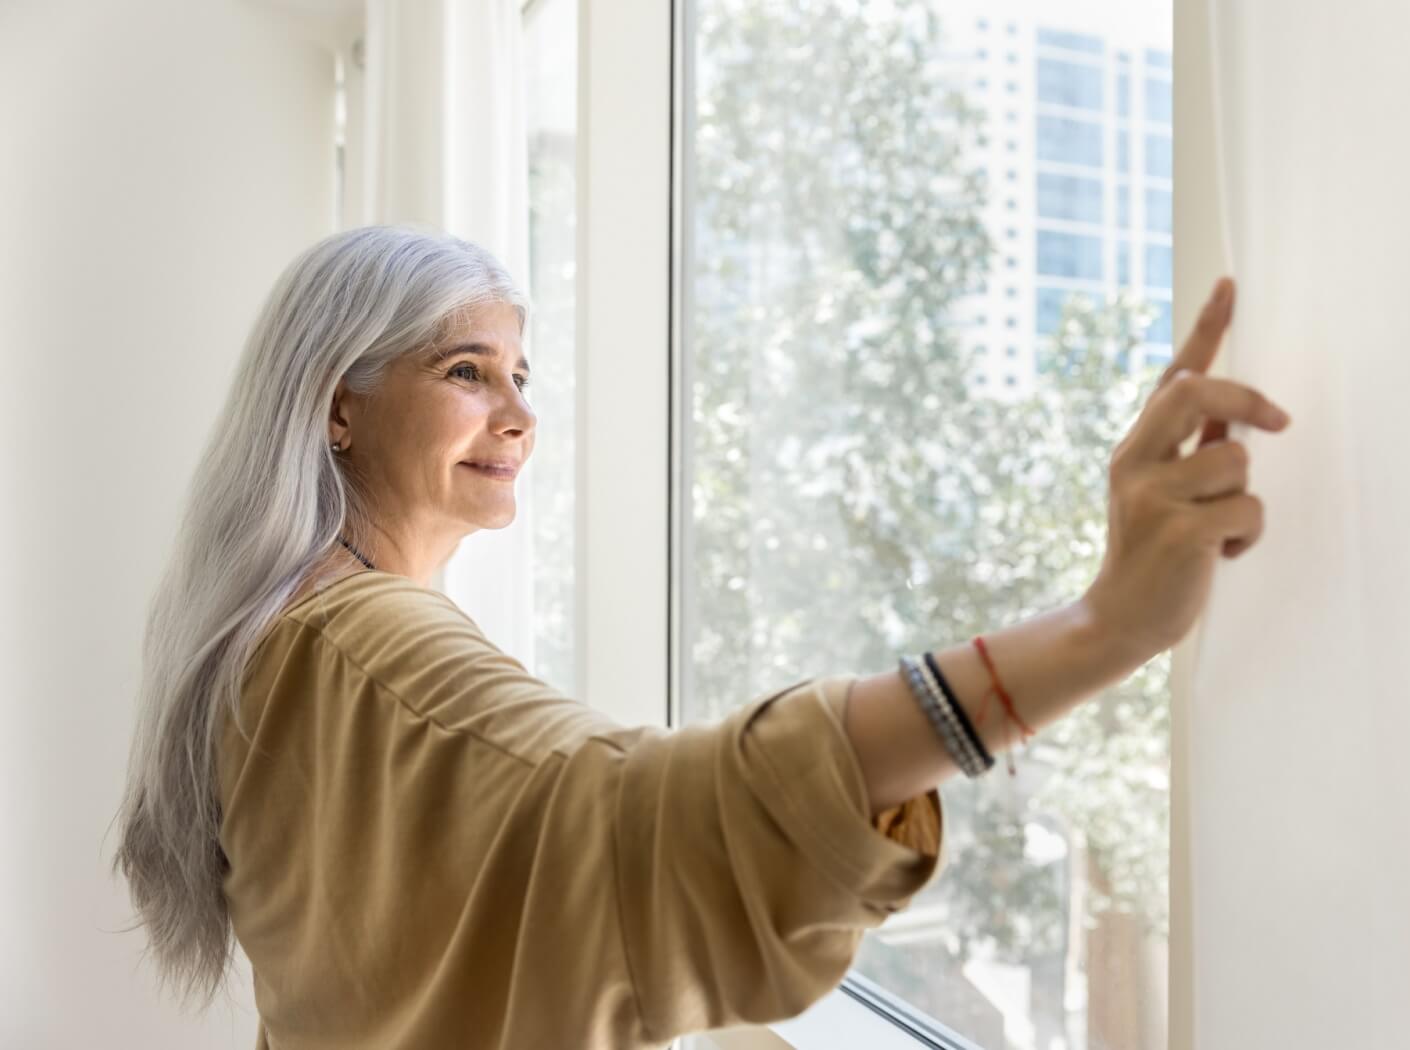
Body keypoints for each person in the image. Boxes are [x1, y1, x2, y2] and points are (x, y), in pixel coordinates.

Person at [110, 225, 1290, 1049]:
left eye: (522, 374)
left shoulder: (288, 640)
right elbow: (654, 822)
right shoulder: (368, 653)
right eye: (466, 371)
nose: (519, 414)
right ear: (338, 404)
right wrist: (1096, 633)